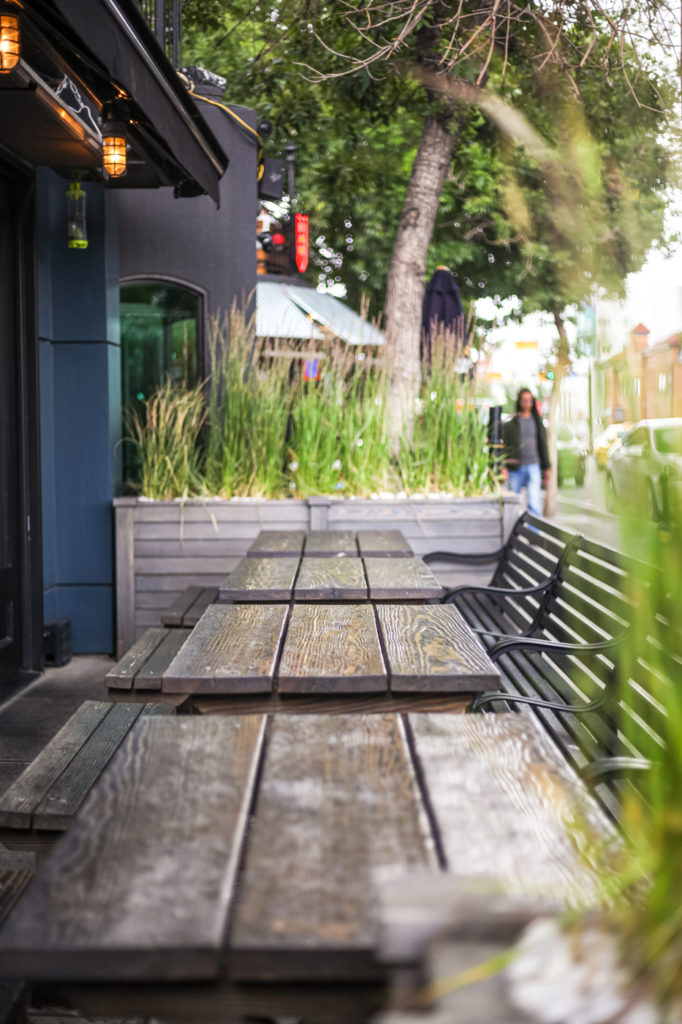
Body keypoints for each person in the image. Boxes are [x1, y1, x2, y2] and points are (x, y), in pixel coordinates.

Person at [501, 388, 550, 516]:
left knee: (534, 504)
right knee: (513, 503)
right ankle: (512, 533)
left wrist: (546, 467)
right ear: (519, 401)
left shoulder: (537, 422)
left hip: (533, 465)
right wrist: (504, 467)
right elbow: (505, 447)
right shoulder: (511, 424)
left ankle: (534, 534)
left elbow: (542, 444)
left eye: (529, 400)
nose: (527, 403)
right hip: (515, 468)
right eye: (524, 400)